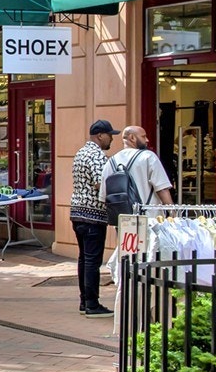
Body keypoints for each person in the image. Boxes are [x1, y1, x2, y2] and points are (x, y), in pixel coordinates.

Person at [72, 120, 118, 316]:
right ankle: (92, 303)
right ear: (100, 135)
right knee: (92, 261)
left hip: (77, 212)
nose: (112, 139)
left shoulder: (81, 152)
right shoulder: (97, 155)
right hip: (93, 214)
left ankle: (84, 302)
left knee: (84, 259)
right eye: (110, 135)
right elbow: (101, 184)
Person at [103, 124, 175, 212]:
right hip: (149, 219)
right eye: (143, 137)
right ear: (132, 137)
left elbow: (104, 197)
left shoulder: (110, 162)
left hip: (122, 221)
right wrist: (173, 214)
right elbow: (162, 189)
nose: (147, 140)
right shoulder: (148, 157)